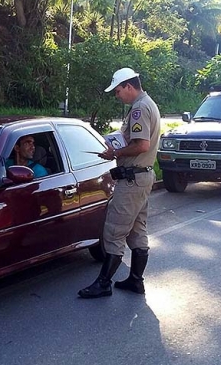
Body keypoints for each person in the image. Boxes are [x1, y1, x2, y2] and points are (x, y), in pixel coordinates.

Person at [78, 67, 161, 298]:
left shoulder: (139, 109)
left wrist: (115, 153)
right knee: (137, 229)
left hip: (132, 178)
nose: (117, 96)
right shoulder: (147, 104)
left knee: (114, 231)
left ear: (128, 86)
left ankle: (103, 283)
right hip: (142, 177)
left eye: (118, 91)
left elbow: (141, 145)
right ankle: (135, 280)